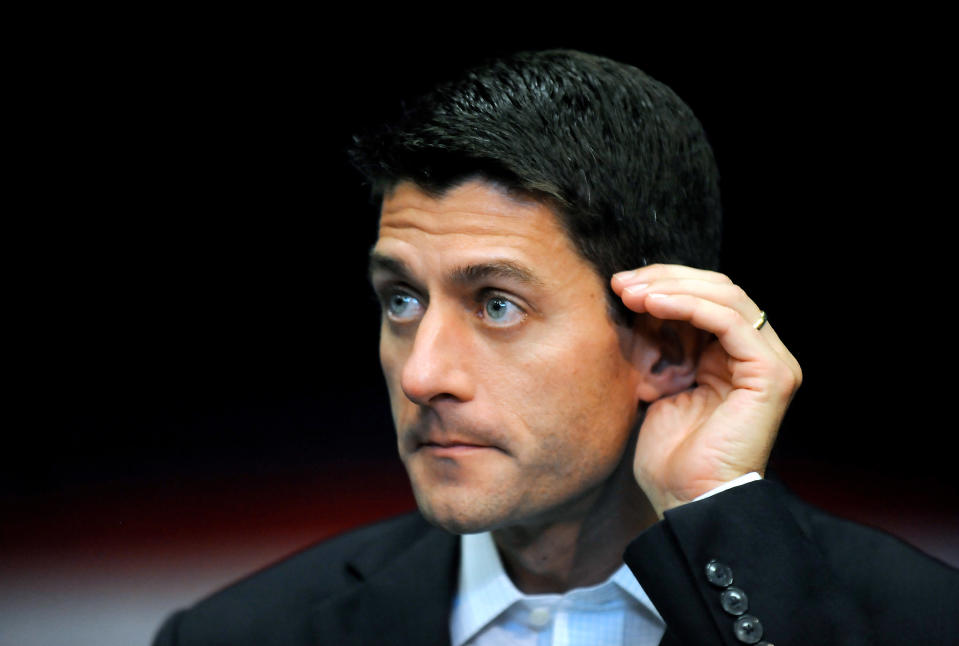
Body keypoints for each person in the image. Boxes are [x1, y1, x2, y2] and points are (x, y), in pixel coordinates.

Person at [153, 50, 958, 645]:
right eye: (401, 299)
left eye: (497, 304)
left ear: (666, 347)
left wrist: (718, 509)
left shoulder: (919, 622)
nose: (424, 373)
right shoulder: (240, 634)